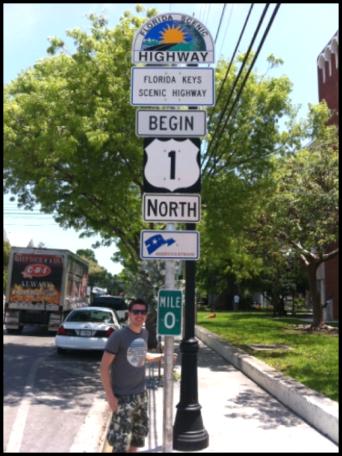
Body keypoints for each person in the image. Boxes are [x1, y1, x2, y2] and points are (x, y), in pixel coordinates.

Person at [100, 298, 164, 453]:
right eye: (136, 312)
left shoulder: (144, 333)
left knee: (137, 438)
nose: (139, 315)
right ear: (129, 314)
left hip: (141, 395)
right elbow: (103, 367)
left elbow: (141, 354)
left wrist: (162, 357)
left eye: (142, 312)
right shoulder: (118, 336)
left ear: (146, 315)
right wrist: (110, 397)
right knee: (120, 444)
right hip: (122, 398)